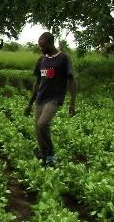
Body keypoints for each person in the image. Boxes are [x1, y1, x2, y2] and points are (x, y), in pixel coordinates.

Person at [23, 31, 78, 167]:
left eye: (43, 45)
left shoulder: (64, 58)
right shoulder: (41, 60)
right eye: (39, 46)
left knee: (42, 124)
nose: (41, 48)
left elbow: (71, 80)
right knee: (38, 130)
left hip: (54, 98)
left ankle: (51, 155)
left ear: (50, 43)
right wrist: (30, 103)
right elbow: (38, 82)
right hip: (41, 98)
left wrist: (72, 103)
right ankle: (45, 157)